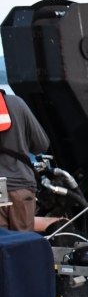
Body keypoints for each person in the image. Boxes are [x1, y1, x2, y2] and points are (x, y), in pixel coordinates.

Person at [0, 90, 50, 232]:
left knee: (2, 245)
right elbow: (41, 144)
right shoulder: (16, 103)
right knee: (23, 245)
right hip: (20, 185)